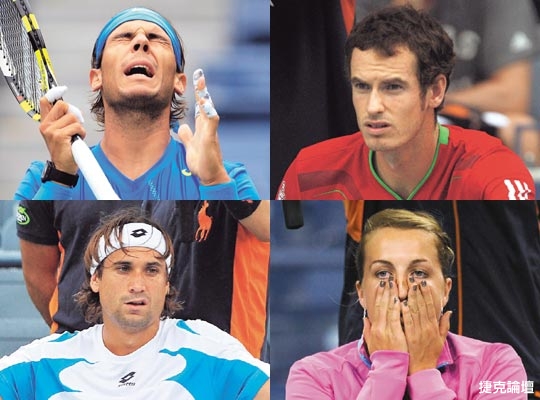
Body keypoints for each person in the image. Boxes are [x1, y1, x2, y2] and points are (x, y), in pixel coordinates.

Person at [1, 209, 270, 398]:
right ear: (96, 279)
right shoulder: (45, 360)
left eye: (152, 270)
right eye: (123, 268)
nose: (138, 285)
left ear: (166, 283)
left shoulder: (210, 349)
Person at [276, 5, 536, 200]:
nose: (373, 107)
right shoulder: (308, 170)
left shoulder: (493, 170)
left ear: (436, 91)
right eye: (362, 86)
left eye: (393, 87)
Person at [14, 7, 259, 200]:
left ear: (179, 81)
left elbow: (246, 245)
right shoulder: (40, 181)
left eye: (156, 38)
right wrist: (60, 177)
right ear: (96, 78)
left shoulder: (231, 178)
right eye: (124, 37)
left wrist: (214, 181)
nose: (141, 41)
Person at [286, 208, 528, 399]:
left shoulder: (497, 364)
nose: (402, 291)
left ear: (446, 290)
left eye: (419, 273)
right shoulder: (313, 376)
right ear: (361, 293)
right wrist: (388, 368)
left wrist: (423, 372)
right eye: (383, 274)